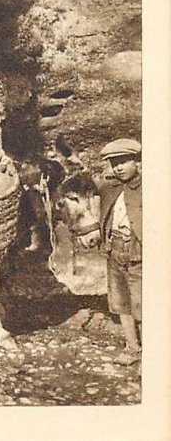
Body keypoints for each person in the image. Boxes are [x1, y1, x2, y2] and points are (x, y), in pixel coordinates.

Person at [98, 138, 142, 365]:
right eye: (114, 163)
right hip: (115, 246)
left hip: (140, 247)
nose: (119, 167)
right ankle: (132, 347)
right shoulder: (110, 187)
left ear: (138, 162)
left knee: (142, 298)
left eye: (124, 161)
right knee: (120, 299)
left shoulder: (148, 187)